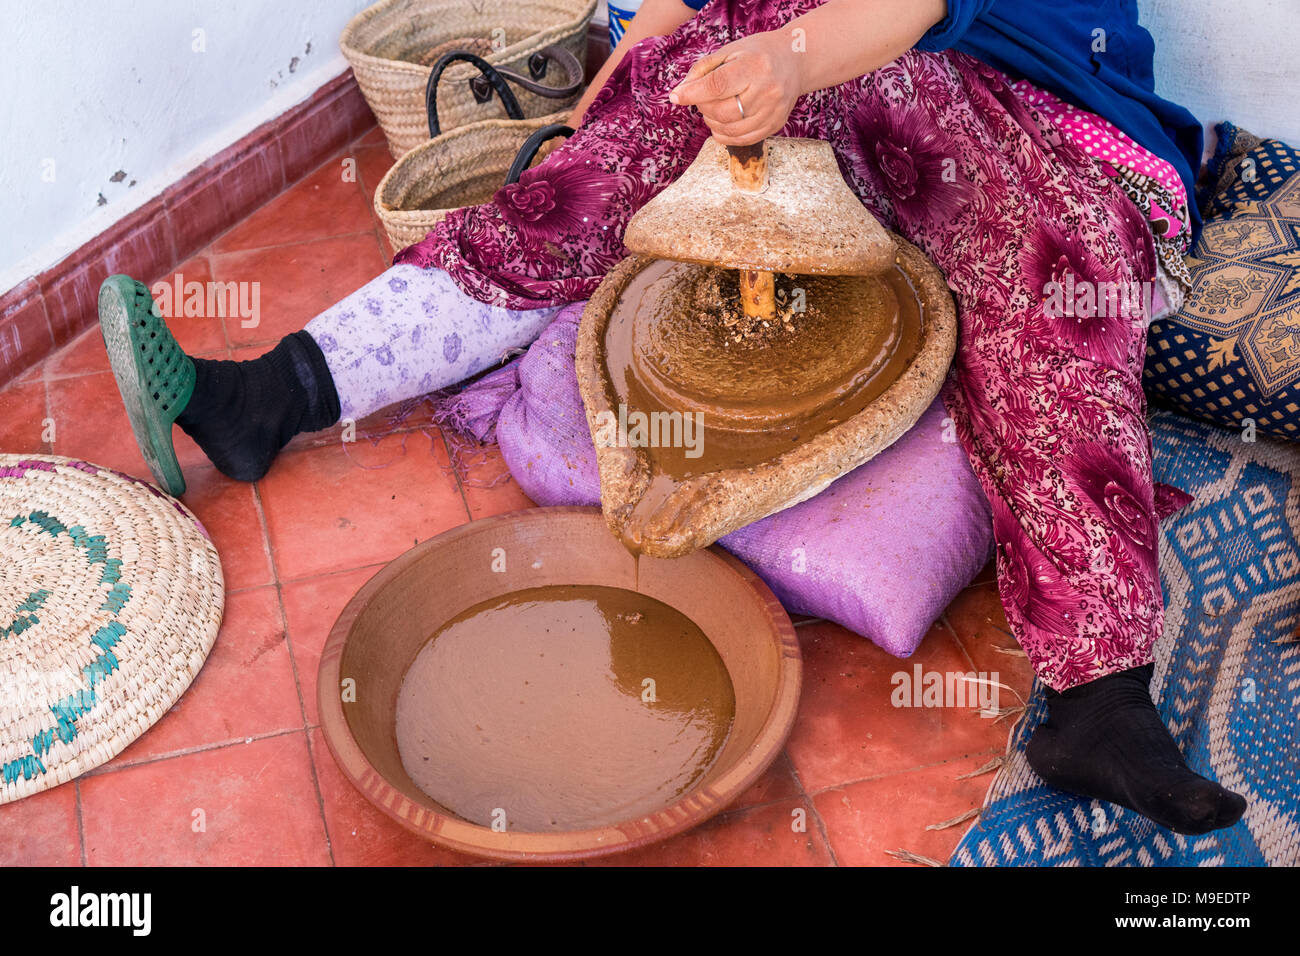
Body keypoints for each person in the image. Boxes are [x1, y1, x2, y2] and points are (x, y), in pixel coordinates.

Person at [97, 0, 1247, 834]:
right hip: (830, 73)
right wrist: (653, 56)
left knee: (1048, 279)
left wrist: (780, 53)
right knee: (606, 165)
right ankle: (276, 392)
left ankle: (1097, 696)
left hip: (1032, 101)